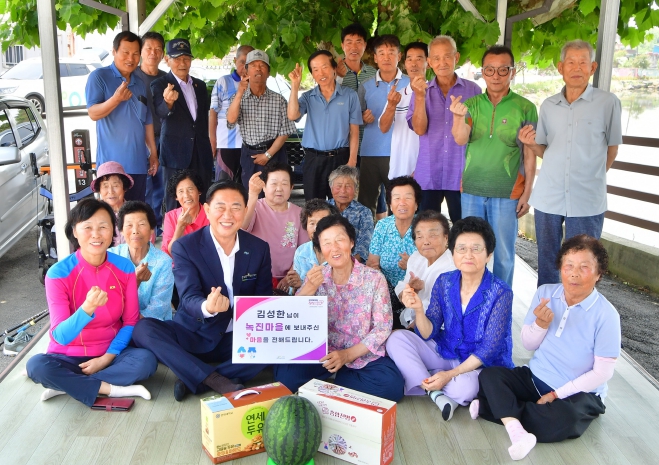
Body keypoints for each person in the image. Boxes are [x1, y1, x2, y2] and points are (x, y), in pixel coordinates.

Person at [472, 235, 620, 461]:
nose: (574, 273)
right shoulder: (546, 293)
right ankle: (516, 428)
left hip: (578, 394)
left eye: (584, 267)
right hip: (535, 377)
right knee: (489, 376)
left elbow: (602, 373)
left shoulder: (607, 315)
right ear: (560, 267)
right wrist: (540, 325)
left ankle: (496, 409)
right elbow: (528, 344)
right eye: (568, 265)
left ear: (599, 273)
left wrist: (556, 394)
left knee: (563, 419)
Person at [132, 181, 273, 401]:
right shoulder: (185, 246)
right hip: (193, 334)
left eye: (236, 207)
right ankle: (215, 379)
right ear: (207, 210)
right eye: (220, 207)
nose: (228, 215)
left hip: (238, 338)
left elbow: (263, 300)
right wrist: (208, 306)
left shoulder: (258, 248)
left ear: (246, 210)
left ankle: (198, 377)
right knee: (143, 329)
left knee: (276, 343)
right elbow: (188, 297)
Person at [26, 199, 158, 407]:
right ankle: (111, 389)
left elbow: (130, 321)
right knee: (36, 366)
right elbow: (60, 336)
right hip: (68, 355)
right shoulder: (58, 273)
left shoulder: (124, 268)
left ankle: (69, 385)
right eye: (87, 227)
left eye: (103, 227)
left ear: (113, 232)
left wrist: (105, 359)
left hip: (111, 352)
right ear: (74, 231)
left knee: (146, 361)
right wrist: (87, 309)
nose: (96, 234)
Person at [387, 216, 514, 421]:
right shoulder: (445, 281)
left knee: (464, 388)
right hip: (447, 349)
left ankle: (428, 377)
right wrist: (419, 310)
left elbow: (489, 349)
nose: (468, 255)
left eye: (476, 249)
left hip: (480, 363)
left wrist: (449, 374)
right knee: (396, 339)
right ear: (453, 253)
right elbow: (429, 331)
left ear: (489, 255)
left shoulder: (501, 292)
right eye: (461, 249)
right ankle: (436, 393)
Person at [523, 40, 623, 287]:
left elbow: (612, 149)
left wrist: (593, 175)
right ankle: (546, 307)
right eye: (571, 62)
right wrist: (531, 144)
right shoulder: (549, 105)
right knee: (547, 260)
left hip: (586, 198)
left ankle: (578, 308)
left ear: (592, 67)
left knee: (583, 262)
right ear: (560, 67)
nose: (577, 68)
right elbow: (545, 150)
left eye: (583, 62)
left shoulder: (608, 102)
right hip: (549, 197)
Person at [274, 215, 405, 402]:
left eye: (339, 240)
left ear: (351, 242)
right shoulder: (317, 277)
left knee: (392, 387)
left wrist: (347, 355)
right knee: (285, 377)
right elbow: (294, 316)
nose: (334, 248)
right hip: (323, 354)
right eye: (326, 243)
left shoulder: (374, 278)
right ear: (321, 249)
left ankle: (333, 382)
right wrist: (309, 287)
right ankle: (341, 383)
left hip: (360, 354)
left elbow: (382, 327)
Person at [451, 45, 538, 287]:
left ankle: (501, 305)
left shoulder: (525, 107)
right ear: (483, 71)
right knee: (471, 252)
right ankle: (472, 300)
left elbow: (530, 154)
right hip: (472, 190)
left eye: (503, 70)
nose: (496, 75)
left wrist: (527, 193)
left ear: (513, 71)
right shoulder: (471, 104)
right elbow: (460, 138)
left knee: (503, 255)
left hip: (507, 192)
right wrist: (457, 117)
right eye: (490, 70)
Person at [408, 35, 482, 222]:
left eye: (447, 56)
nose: (442, 63)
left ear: (456, 57)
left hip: (461, 174)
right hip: (429, 172)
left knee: (464, 228)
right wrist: (420, 97)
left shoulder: (473, 90)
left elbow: (476, 133)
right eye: (436, 58)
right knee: (427, 228)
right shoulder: (421, 90)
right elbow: (419, 129)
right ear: (430, 62)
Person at [86, 31, 159, 202]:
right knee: (113, 214)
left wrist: (153, 153)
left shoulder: (139, 83)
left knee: (136, 212)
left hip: (138, 164)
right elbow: (93, 113)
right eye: (125, 52)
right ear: (114, 51)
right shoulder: (99, 77)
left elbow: (147, 121)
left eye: (135, 54)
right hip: (111, 168)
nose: (130, 58)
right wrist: (116, 99)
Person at [288, 51, 362, 200]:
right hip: (314, 159)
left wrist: (352, 161)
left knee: (341, 204)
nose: (320, 73)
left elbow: (354, 131)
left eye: (324, 67)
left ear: (334, 68)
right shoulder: (308, 97)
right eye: (315, 70)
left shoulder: (350, 95)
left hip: (341, 159)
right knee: (314, 205)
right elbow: (293, 115)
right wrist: (295, 86)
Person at [152, 38, 214, 212]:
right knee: (174, 199)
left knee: (202, 197)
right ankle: (173, 230)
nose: (182, 63)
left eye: (186, 58)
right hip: (175, 153)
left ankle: (202, 228)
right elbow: (160, 112)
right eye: (177, 58)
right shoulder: (160, 84)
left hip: (200, 151)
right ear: (167, 59)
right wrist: (168, 102)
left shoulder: (200, 85)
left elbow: (203, 119)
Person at [226, 49, 297, 188]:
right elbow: (231, 121)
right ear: (246, 71)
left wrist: (268, 155)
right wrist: (240, 93)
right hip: (249, 155)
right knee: (252, 194)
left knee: (276, 193)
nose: (258, 68)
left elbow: (285, 131)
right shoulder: (237, 98)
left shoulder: (279, 100)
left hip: (274, 153)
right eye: (253, 65)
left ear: (268, 72)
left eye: (262, 65)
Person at [357, 35, 410, 216]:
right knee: (366, 204)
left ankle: (398, 235)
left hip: (400, 153)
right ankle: (366, 235)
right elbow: (356, 118)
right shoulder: (365, 86)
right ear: (375, 57)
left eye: (391, 53)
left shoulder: (410, 83)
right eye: (381, 53)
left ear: (399, 56)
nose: (386, 57)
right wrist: (363, 118)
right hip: (370, 152)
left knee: (398, 203)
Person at [242, 163, 309, 290]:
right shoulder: (254, 207)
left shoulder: (300, 213)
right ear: (264, 187)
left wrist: (290, 276)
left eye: (284, 184)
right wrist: (252, 195)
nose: (279, 189)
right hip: (255, 277)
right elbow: (242, 228)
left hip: (289, 279)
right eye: (273, 183)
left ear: (291, 187)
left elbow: (303, 250)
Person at [366, 176, 420, 326]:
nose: (402, 203)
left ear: (416, 204)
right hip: (386, 291)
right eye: (396, 198)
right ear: (390, 204)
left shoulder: (424, 227)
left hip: (417, 291)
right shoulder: (382, 226)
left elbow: (434, 266)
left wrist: (412, 265)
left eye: (408, 198)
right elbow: (372, 263)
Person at [110, 201, 174, 320]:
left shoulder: (163, 262)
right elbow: (109, 301)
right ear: (121, 230)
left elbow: (158, 309)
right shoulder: (111, 257)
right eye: (129, 225)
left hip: (150, 324)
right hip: (117, 323)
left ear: (152, 229)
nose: (135, 231)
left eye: (141, 224)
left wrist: (128, 325)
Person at [394, 210, 456, 328]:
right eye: (420, 236)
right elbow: (401, 286)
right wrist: (409, 290)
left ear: (446, 237)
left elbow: (439, 312)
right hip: (408, 317)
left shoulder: (452, 268)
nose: (426, 242)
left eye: (432, 236)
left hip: (433, 328)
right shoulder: (416, 257)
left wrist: (408, 331)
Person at [378, 41, 426, 180]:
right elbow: (383, 128)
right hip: (399, 170)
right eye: (409, 59)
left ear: (428, 62)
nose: (413, 64)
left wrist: (422, 167)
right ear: (404, 64)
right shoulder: (397, 95)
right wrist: (391, 106)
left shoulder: (434, 95)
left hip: (426, 171)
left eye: (419, 59)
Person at [135, 31, 167, 233]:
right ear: (141, 51)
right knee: (144, 188)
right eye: (148, 48)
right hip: (141, 141)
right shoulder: (132, 77)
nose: (153, 53)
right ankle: (146, 231)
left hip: (164, 139)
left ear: (163, 53)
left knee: (162, 188)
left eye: (157, 49)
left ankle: (159, 230)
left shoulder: (167, 79)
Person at [209, 44, 254, 181]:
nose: (245, 67)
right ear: (235, 61)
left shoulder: (257, 85)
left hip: (250, 147)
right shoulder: (223, 82)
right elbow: (213, 112)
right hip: (226, 145)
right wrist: (212, 141)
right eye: (242, 62)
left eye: (250, 63)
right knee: (224, 185)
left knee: (246, 187)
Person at [286, 199, 340, 290]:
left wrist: (305, 284)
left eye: (322, 222)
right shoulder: (301, 252)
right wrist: (296, 284)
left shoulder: (340, 252)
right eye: (312, 223)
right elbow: (296, 292)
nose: (316, 229)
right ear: (305, 226)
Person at [328, 165, 374, 262]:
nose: (343, 191)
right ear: (331, 188)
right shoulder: (323, 209)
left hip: (354, 263)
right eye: (339, 186)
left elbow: (365, 243)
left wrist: (350, 263)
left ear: (356, 189)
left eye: (348, 186)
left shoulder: (364, 212)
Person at [162, 169, 210, 257]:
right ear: (176, 196)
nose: (186, 195)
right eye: (181, 191)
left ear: (199, 191)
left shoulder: (211, 214)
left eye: (190, 189)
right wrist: (180, 226)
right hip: (180, 263)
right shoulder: (170, 216)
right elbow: (170, 253)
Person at [91, 161, 134, 246]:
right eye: (105, 186)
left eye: (115, 186)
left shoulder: (135, 211)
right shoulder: (93, 214)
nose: (111, 191)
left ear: (124, 187)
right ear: (99, 190)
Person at [336, 23, 377, 92]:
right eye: (349, 43)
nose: (354, 47)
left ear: (365, 45)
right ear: (342, 46)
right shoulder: (334, 72)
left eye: (358, 42)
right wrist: (339, 77)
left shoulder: (373, 73)